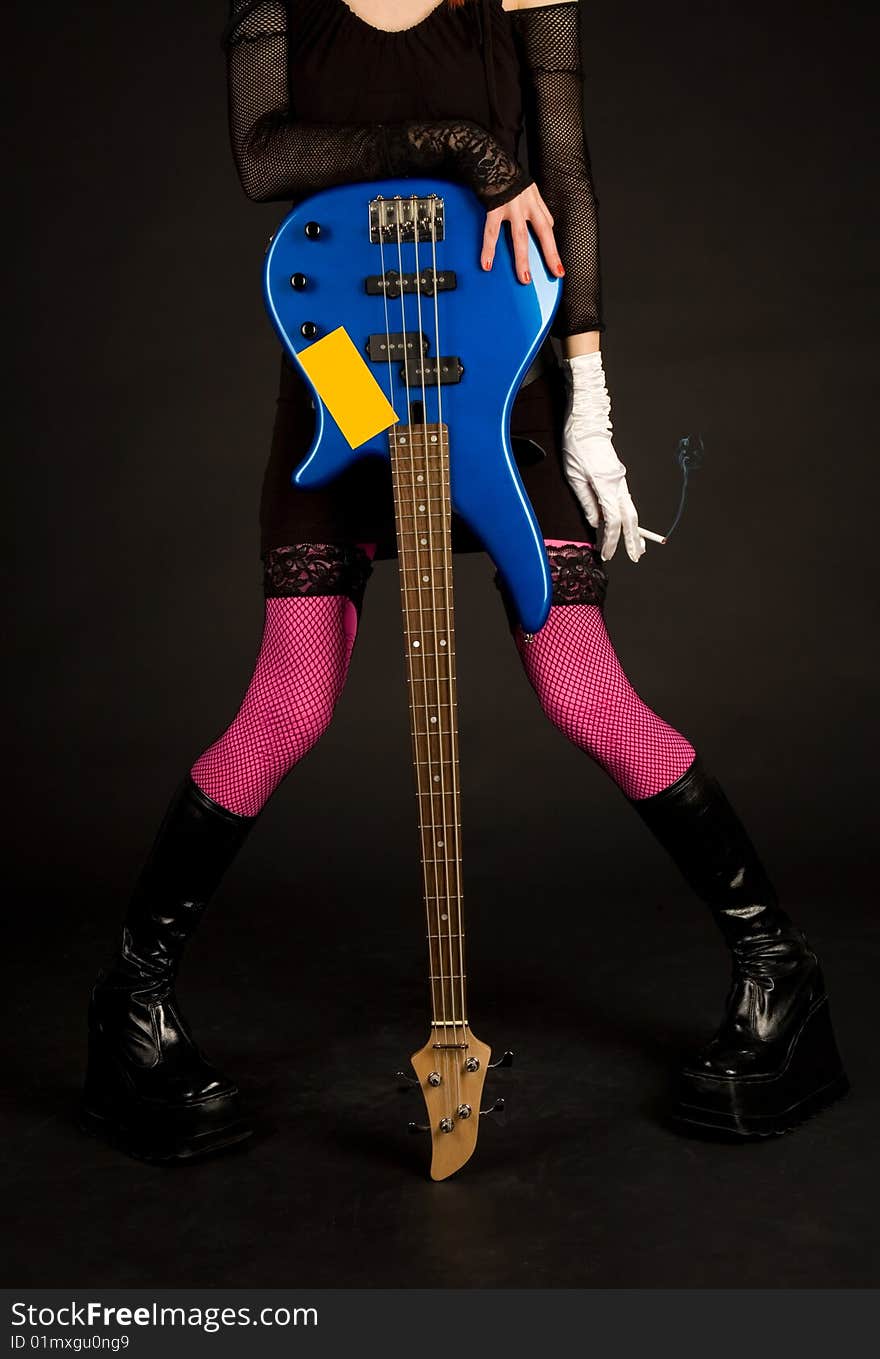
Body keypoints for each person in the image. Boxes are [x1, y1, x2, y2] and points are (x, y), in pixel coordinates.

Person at [81, 0, 848, 1163]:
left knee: (587, 697)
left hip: (499, 378)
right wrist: (466, 149)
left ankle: (778, 981)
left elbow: (568, 190)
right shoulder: (275, 5)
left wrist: (590, 413)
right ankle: (129, 1015)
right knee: (285, 710)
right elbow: (267, 156)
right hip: (339, 372)